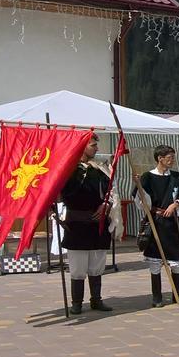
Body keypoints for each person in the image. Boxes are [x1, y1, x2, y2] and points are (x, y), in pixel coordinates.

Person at [61, 134, 118, 314]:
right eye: (93, 145)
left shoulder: (100, 170)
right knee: (78, 267)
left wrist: (106, 205)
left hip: (97, 224)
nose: (97, 148)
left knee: (97, 264)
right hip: (76, 224)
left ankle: (96, 300)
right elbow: (54, 193)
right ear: (82, 146)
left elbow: (112, 193)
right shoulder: (66, 169)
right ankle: (77, 302)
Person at [138, 145, 179, 308]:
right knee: (155, 260)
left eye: (173, 157)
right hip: (155, 221)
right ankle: (157, 296)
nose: (172, 160)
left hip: (172, 224)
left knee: (176, 260)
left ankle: (177, 293)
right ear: (160, 158)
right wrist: (139, 187)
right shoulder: (147, 177)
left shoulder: (177, 177)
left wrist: (175, 205)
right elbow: (142, 202)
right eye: (169, 157)